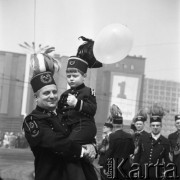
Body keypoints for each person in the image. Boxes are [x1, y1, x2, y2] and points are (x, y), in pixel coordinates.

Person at [23, 50, 97, 180]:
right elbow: (54, 142)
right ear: (36, 97)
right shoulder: (32, 121)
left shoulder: (62, 115)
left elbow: (82, 128)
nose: (52, 96)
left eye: (54, 92)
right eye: (46, 93)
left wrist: (92, 146)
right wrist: (82, 150)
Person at [58, 37, 102, 180]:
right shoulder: (64, 94)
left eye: (75, 75)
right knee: (79, 160)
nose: (71, 78)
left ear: (84, 76)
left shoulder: (89, 92)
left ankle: (86, 154)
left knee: (69, 147)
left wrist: (77, 103)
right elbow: (60, 114)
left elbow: (92, 109)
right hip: (71, 129)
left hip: (84, 127)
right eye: (69, 76)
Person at [134, 103, 171, 180]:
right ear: (150, 126)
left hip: (157, 175)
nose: (155, 127)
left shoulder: (165, 141)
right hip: (142, 174)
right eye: (153, 125)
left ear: (161, 126)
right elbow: (137, 156)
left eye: (157, 125)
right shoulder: (143, 138)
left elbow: (168, 161)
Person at [103, 104, 135, 180]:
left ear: (114, 124)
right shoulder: (129, 136)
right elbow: (132, 150)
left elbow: (109, 153)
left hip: (114, 167)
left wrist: (105, 167)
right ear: (122, 124)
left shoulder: (112, 136)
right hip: (126, 167)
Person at [168, 114, 180, 179]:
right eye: (177, 123)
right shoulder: (171, 136)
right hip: (175, 166)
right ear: (175, 124)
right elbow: (170, 152)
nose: (179, 124)